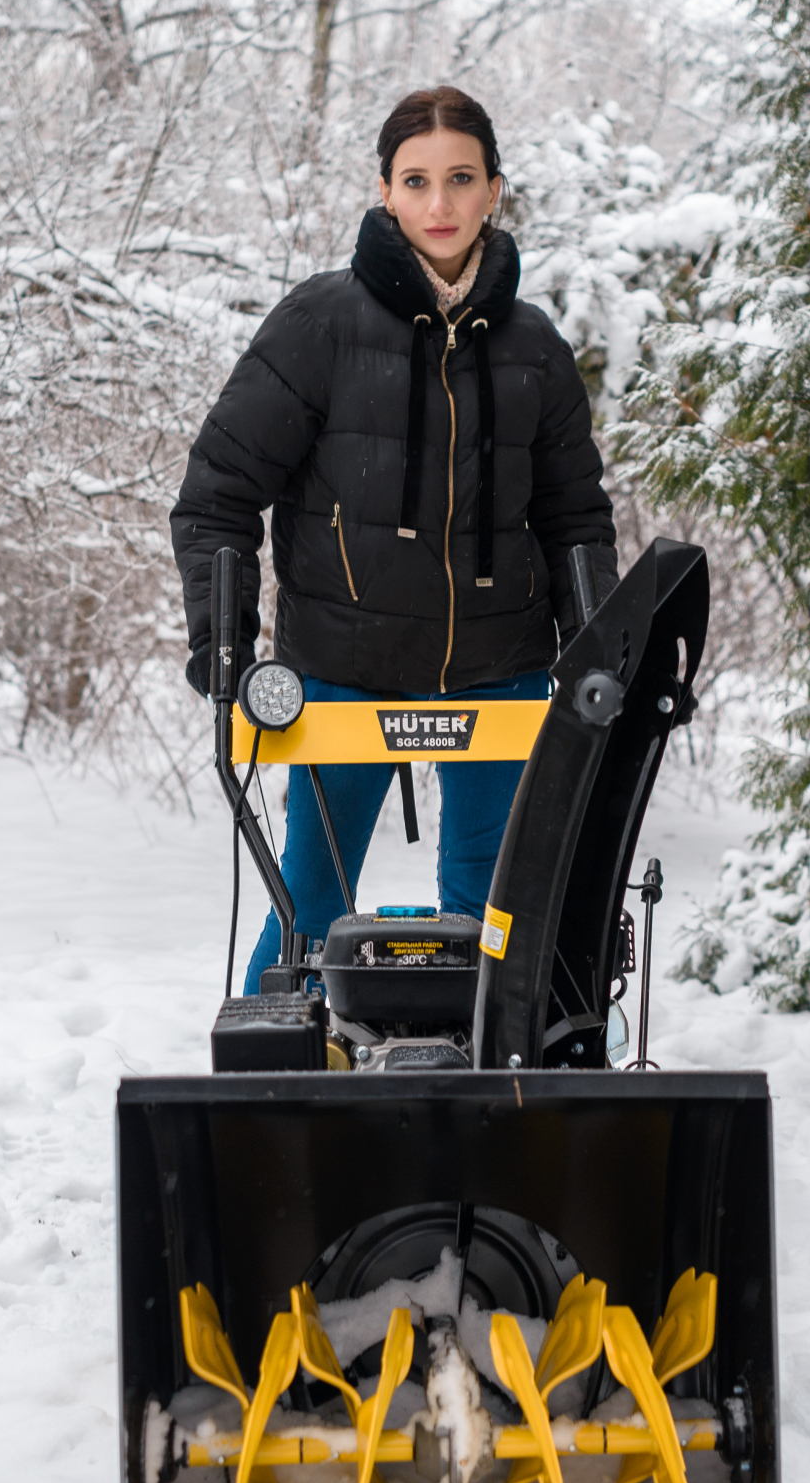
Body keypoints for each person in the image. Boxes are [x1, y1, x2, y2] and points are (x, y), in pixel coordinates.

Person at [171, 85, 616, 993]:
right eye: (417, 181)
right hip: (341, 668)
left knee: (497, 906)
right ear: (384, 191)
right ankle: (271, 1083)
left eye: (461, 179)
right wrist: (224, 643)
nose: (440, 204)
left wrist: (599, 657)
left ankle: (499, 1082)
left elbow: (575, 520)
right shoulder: (320, 326)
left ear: (494, 188)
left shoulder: (533, 348)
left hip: (501, 669)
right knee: (311, 899)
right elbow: (217, 494)